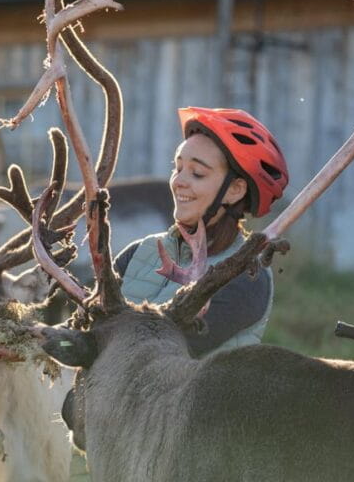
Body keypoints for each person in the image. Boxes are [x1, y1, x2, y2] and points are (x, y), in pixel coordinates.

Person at [115, 106, 289, 356]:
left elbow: (163, 350)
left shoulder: (248, 276)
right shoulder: (139, 252)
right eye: (177, 168)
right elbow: (84, 330)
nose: (178, 181)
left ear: (235, 190)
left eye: (197, 173)